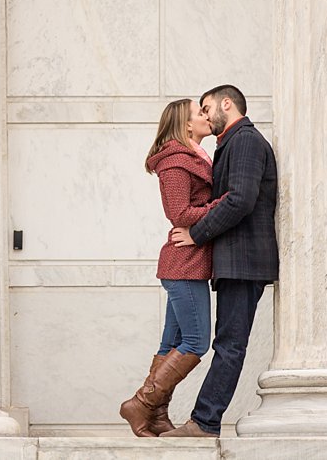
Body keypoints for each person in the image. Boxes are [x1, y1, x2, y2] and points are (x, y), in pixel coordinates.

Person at [160, 84, 278, 438]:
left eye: (208, 107)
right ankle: (170, 413)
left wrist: (197, 234)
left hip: (244, 263)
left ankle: (205, 422)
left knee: (229, 344)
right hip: (234, 262)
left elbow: (240, 200)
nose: (205, 115)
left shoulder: (244, 141)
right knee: (222, 342)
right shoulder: (230, 143)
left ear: (227, 103)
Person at [119, 98, 225, 437]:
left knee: (172, 343)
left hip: (189, 263)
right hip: (184, 264)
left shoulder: (195, 157)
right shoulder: (177, 162)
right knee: (195, 342)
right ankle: (140, 404)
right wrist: (222, 205)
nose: (206, 116)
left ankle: (155, 416)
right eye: (199, 113)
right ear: (185, 124)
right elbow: (179, 213)